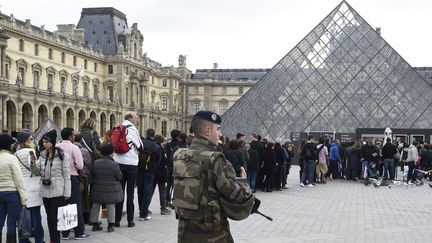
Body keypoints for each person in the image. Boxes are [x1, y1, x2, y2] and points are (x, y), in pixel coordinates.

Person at [172, 111, 258, 243]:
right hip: (211, 231)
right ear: (207, 131)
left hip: (185, 229)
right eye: (218, 129)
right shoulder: (214, 158)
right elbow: (233, 193)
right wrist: (248, 192)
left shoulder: (179, 154)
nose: (220, 134)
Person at [30, 130, 71, 243]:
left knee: (55, 217)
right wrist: (33, 164)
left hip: (58, 190)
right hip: (45, 189)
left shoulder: (63, 156)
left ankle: (56, 239)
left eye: (46, 141)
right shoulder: (43, 156)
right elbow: (36, 172)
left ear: (52, 142)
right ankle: (53, 239)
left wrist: (67, 193)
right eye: (43, 141)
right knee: (49, 216)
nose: (44, 144)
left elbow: (67, 175)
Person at [57, 128, 90, 240]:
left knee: (62, 205)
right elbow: (80, 165)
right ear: (71, 136)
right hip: (72, 178)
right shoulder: (74, 148)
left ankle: (64, 233)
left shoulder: (57, 147)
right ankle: (79, 232)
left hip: (59, 178)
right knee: (75, 205)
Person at [114, 112, 143, 227]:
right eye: (136, 117)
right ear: (130, 118)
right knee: (130, 193)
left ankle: (117, 220)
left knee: (119, 193)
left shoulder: (119, 127)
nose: (137, 119)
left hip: (119, 163)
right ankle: (130, 220)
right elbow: (140, 146)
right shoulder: (132, 129)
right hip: (131, 164)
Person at [15, 131, 44, 243]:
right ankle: (39, 240)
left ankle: (24, 240)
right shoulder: (30, 152)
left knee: (23, 216)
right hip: (33, 187)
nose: (32, 141)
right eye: (31, 139)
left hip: (22, 187)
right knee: (36, 217)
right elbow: (34, 169)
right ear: (26, 141)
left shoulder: (16, 154)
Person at [88, 143, 123, 233]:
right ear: (112, 152)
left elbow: (90, 177)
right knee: (111, 205)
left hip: (97, 187)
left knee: (96, 204)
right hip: (111, 189)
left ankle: (94, 224)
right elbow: (119, 177)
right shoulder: (114, 164)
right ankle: (110, 225)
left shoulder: (95, 163)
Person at [0, 134, 27, 243]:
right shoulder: (12, 158)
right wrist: (24, 198)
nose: (13, 145)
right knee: (11, 222)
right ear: (7, 145)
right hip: (12, 193)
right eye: (11, 143)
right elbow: (18, 179)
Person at [137, 129, 161, 221]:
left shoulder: (141, 143)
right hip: (150, 170)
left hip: (140, 169)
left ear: (146, 134)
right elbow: (158, 160)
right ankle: (144, 213)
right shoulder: (156, 147)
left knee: (140, 190)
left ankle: (140, 210)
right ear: (154, 135)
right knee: (147, 191)